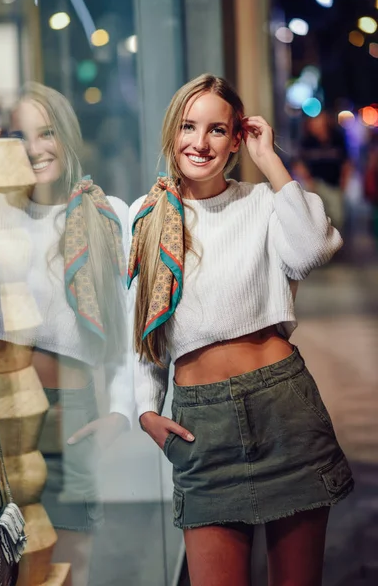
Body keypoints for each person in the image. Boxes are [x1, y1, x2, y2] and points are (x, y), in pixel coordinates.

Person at [127, 74, 354, 586]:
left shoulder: (262, 202)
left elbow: (314, 249)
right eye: (189, 126)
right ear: (172, 132)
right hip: (202, 428)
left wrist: (271, 161)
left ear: (235, 140)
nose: (199, 143)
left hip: (283, 412)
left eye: (216, 130)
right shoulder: (152, 216)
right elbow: (144, 326)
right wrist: (145, 407)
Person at [0, 83, 133, 586]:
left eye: (46, 132)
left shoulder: (101, 214)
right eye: (20, 137)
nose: (35, 148)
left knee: (68, 569)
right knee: (1, 570)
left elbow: (125, 329)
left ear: (66, 137)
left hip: (68, 411)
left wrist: (118, 411)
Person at [293, 111, 352, 230]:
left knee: (337, 218)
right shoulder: (307, 141)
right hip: (314, 186)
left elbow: (346, 162)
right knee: (317, 219)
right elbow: (298, 163)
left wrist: (344, 182)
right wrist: (308, 180)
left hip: (333, 185)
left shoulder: (337, 138)